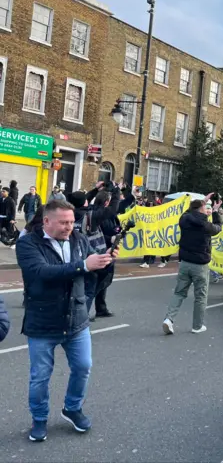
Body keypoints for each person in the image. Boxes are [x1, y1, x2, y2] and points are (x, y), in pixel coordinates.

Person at [16, 199, 119, 442]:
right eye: (63, 222)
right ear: (46, 221)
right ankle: (39, 419)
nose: (69, 227)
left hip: (77, 320)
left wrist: (104, 260)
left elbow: (90, 271)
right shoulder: (28, 244)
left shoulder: (79, 240)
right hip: (43, 322)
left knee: (83, 367)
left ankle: (72, 408)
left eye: (72, 222)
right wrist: (84, 265)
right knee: (40, 377)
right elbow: (42, 273)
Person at [162, 195, 222, 335]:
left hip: (184, 262)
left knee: (179, 292)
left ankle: (169, 319)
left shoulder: (184, 219)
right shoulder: (205, 225)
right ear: (201, 210)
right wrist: (215, 211)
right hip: (200, 265)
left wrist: (203, 201)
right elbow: (218, 228)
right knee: (200, 296)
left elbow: (187, 211)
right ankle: (197, 325)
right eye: (204, 207)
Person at [68, 181, 121, 317]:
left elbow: (82, 200)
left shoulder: (70, 214)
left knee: (77, 289)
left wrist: (95, 189)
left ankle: (74, 315)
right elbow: (112, 209)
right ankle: (81, 318)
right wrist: (116, 191)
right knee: (89, 290)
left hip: (75, 256)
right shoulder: (90, 216)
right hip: (93, 256)